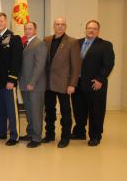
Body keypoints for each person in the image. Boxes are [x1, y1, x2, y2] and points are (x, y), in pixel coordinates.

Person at [72, 20, 115, 146]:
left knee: (96, 111)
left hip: (95, 84)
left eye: (94, 29)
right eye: (89, 28)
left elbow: (108, 64)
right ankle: (79, 132)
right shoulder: (77, 43)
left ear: (98, 31)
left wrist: (100, 79)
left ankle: (96, 136)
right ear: (85, 29)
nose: (91, 30)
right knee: (79, 109)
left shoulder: (105, 45)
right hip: (78, 83)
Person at [43, 17, 81, 148]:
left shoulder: (72, 42)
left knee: (65, 112)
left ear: (66, 26)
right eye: (57, 24)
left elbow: (76, 66)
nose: (59, 26)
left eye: (62, 24)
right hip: (48, 83)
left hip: (64, 83)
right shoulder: (47, 40)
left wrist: (72, 84)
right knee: (49, 111)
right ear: (54, 26)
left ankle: (65, 137)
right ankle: (49, 134)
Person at [0, 13, 22, 146]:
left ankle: (14, 135)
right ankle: (1, 132)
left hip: (8, 81)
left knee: (11, 109)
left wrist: (12, 79)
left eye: (1, 21)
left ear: (6, 22)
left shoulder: (14, 38)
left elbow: (16, 60)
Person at [19, 22, 47, 148]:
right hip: (24, 84)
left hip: (34, 85)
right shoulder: (25, 43)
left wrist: (32, 82)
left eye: (30, 28)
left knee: (36, 112)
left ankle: (36, 138)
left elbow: (39, 66)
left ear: (35, 30)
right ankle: (30, 133)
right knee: (29, 111)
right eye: (25, 28)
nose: (27, 30)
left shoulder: (40, 44)